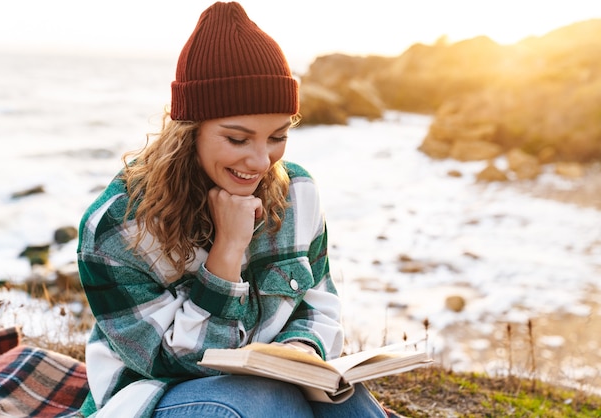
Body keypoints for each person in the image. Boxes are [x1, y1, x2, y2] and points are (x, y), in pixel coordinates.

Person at [77, 2, 400, 417]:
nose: (262, 161)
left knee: (350, 406)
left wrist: (300, 355)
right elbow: (175, 363)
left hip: (268, 386)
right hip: (151, 395)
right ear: (189, 130)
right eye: (237, 139)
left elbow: (318, 302)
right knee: (264, 403)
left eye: (277, 136)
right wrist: (227, 251)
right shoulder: (117, 228)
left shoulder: (298, 191)